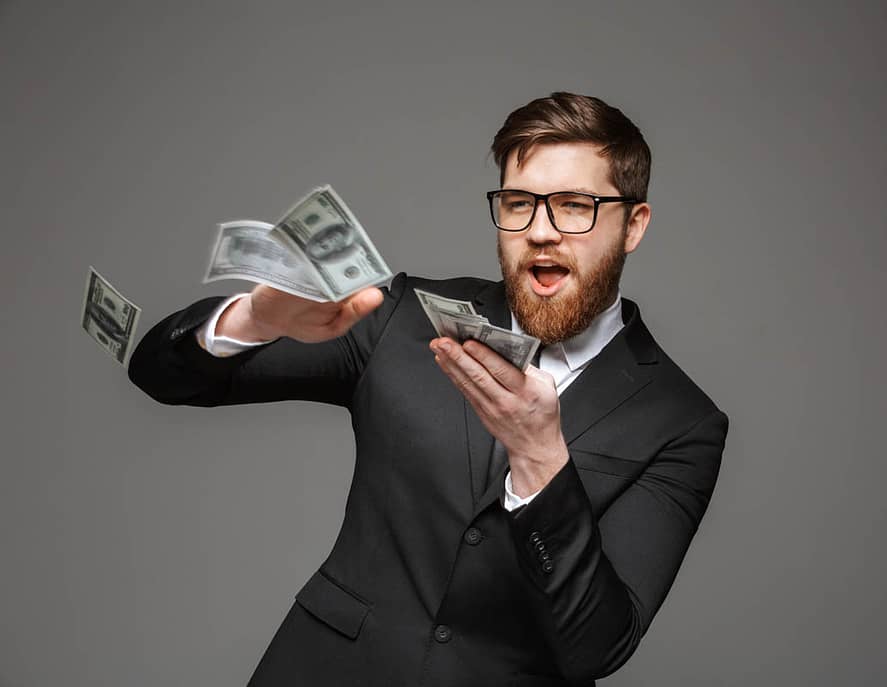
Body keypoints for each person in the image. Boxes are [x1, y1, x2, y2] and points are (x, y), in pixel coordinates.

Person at [129, 91, 730, 687]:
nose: (541, 231)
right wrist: (253, 321)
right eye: (519, 203)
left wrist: (542, 461)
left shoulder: (682, 422)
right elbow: (162, 375)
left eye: (575, 206)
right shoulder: (402, 315)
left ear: (633, 225)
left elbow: (598, 646)